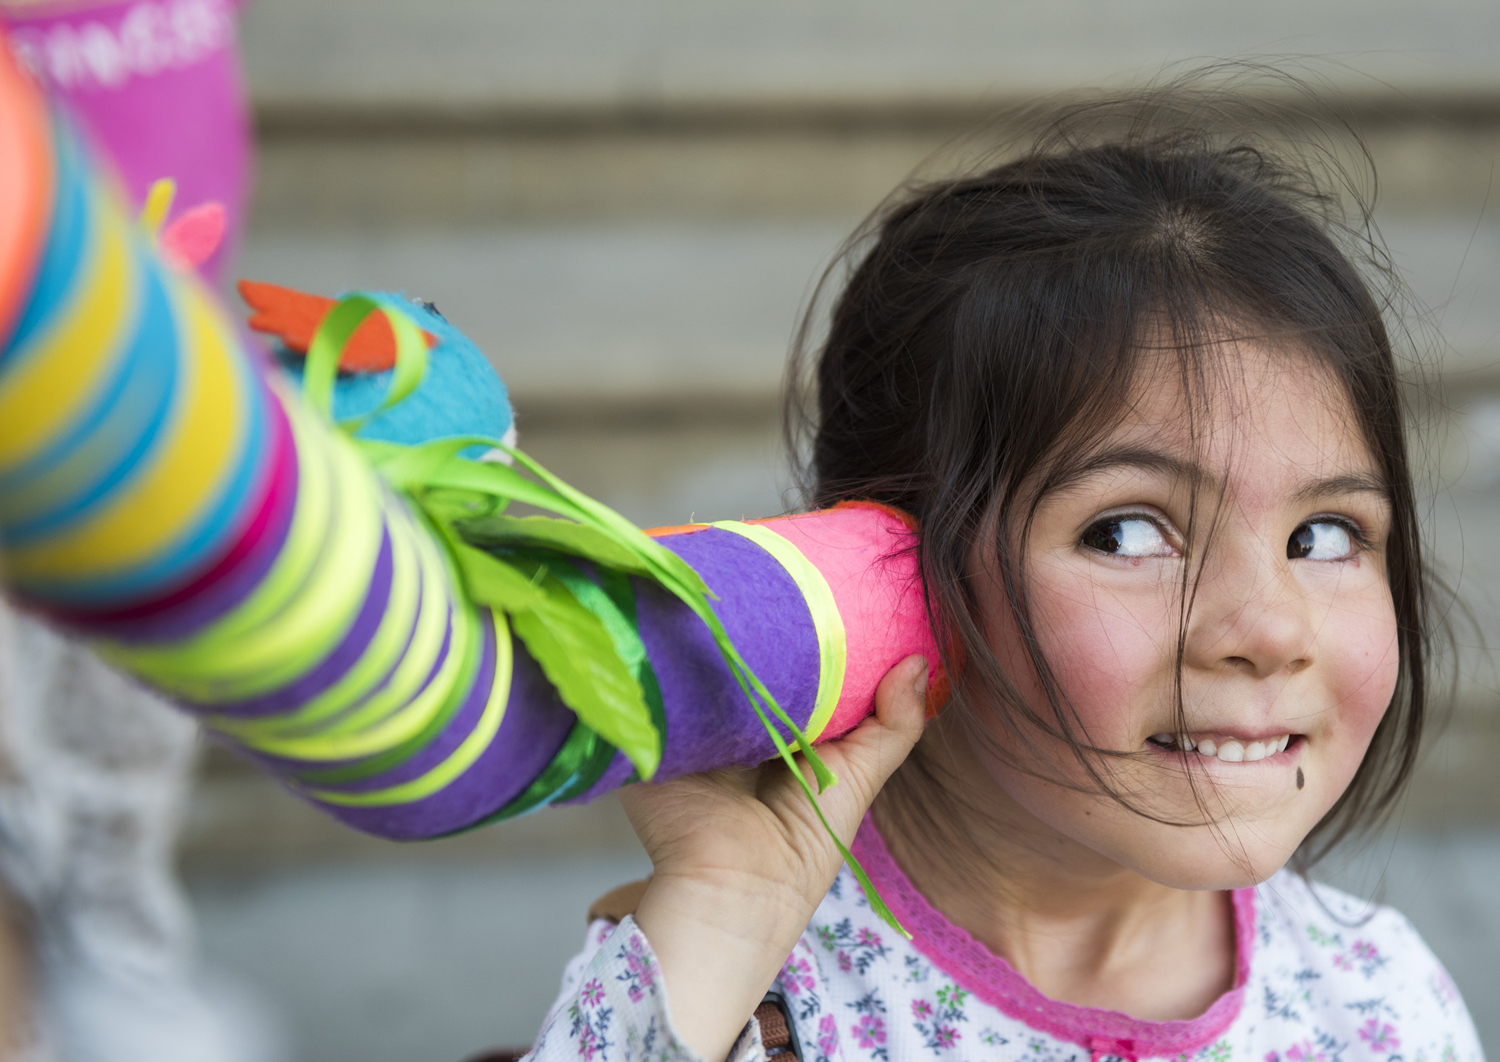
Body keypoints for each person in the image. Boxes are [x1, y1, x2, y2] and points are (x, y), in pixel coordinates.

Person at [523, 92, 1484, 1062]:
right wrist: (725, 913)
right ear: (894, 575)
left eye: (1323, 535)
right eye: (1125, 533)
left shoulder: (1378, 1004)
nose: (1272, 631)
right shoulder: (731, 986)